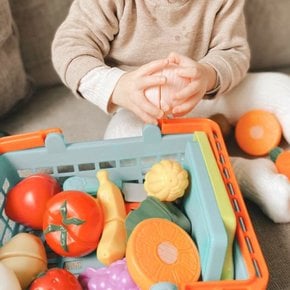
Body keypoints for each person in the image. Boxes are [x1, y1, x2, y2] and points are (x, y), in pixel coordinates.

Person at [52, 0, 290, 223]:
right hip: (145, 113)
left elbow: (233, 52)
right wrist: (118, 86)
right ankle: (240, 173)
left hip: (208, 93)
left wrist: (208, 74)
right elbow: (70, 48)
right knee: (120, 139)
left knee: (280, 86)